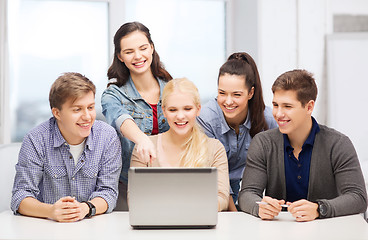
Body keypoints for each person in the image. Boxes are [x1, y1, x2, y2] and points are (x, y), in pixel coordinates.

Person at [238, 69, 367, 221]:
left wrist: (320, 209)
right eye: (275, 105)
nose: (278, 114)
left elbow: (358, 198)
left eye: (287, 106)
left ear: (309, 107)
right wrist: (259, 207)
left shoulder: (338, 144)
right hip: (277, 231)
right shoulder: (263, 143)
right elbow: (247, 194)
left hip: (327, 231)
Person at [11, 72, 122, 222]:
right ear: (57, 113)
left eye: (90, 107)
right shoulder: (36, 139)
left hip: (93, 227)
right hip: (45, 227)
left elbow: (108, 192)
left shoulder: (107, 136)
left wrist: (85, 208)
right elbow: (21, 196)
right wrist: (51, 211)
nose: (87, 116)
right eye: (77, 109)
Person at [101, 22, 172, 211]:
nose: (138, 56)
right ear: (120, 56)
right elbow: (121, 119)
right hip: (128, 185)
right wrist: (142, 139)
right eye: (129, 51)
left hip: (173, 182)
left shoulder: (172, 88)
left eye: (143, 48)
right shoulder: (113, 95)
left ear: (152, 48)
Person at [131, 78, 230, 211]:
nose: (180, 116)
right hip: (156, 227)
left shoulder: (215, 148)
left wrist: (188, 208)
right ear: (164, 111)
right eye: (173, 110)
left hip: (200, 226)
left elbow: (222, 198)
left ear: (198, 109)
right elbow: (134, 200)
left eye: (187, 109)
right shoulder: (144, 148)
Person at [197, 52, 278, 211]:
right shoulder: (205, 119)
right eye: (222, 93)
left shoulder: (268, 119)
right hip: (216, 196)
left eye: (236, 95)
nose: (228, 101)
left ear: (251, 93)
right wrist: (236, 216)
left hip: (255, 196)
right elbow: (212, 175)